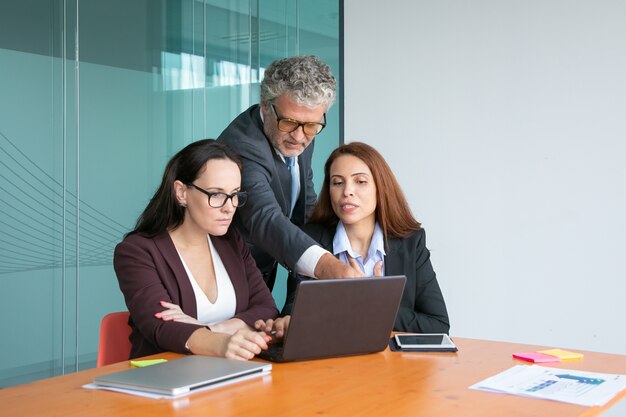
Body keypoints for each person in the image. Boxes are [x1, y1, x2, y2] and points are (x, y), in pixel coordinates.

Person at [113, 139, 278, 361]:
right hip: (166, 377)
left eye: (235, 194)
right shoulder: (137, 252)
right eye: (217, 194)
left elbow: (266, 308)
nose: (230, 207)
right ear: (181, 192)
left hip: (231, 373)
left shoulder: (231, 243)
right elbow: (162, 326)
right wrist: (225, 342)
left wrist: (210, 328)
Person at [265, 142, 450, 336]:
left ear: (381, 187)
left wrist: (375, 305)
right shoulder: (309, 240)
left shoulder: (411, 242)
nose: (347, 191)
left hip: (391, 362)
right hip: (330, 360)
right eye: (337, 182)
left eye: (360, 181)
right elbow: (293, 310)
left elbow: (437, 325)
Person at [217, 55, 363, 290]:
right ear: (266, 104)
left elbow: (304, 202)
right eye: (288, 122)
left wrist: (351, 238)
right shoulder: (241, 147)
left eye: (312, 126)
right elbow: (264, 216)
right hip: (226, 278)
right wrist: (329, 267)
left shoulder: (302, 130)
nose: (298, 136)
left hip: (263, 273)